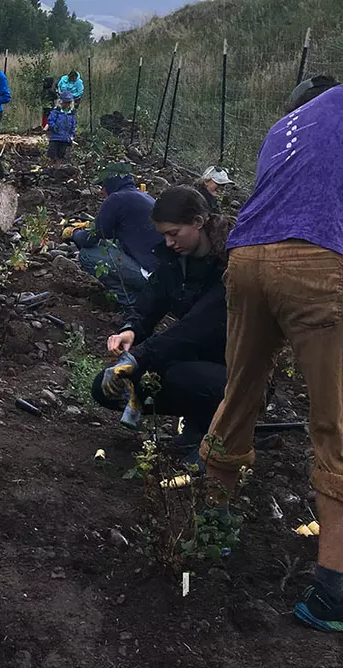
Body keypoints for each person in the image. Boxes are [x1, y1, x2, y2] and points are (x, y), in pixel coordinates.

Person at [196, 75, 343, 632]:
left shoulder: (282, 129)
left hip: (248, 257)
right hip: (315, 260)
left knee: (240, 394)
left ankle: (213, 529)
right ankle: (333, 590)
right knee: (333, 421)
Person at [94, 186, 231, 459]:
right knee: (104, 388)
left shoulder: (229, 267)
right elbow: (148, 304)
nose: (168, 242)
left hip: (236, 373)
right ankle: (197, 427)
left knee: (179, 376)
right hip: (189, 359)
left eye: (173, 233)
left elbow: (193, 330)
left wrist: (140, 358)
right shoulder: (175, 262)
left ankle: (214, 434)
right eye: (163, 235)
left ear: (198, 222)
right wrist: (130, 330)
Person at [70, 164, 161, 307]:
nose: (101, 191)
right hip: (161, 274)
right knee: (111, 244)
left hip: (149, 276)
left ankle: (132, 303)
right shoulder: (143, 196)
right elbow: (108, 233)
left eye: (103, 185)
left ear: (111, 183)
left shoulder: (116, 199)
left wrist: (73, 233)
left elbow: (89, 239)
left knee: (87, 255)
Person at [46, 92, 76, 167]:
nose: (67, 104)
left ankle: (57, 169)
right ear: (61, 102)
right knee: (52, 155)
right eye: (65, 102)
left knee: (61, 155)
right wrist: (53, 126)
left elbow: (73, 125)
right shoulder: (56, 112)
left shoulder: (71, 114)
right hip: (55, 137)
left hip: (65, 138)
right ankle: (49, 168)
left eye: (69, 102)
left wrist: (72, 135)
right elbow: (50, 120)